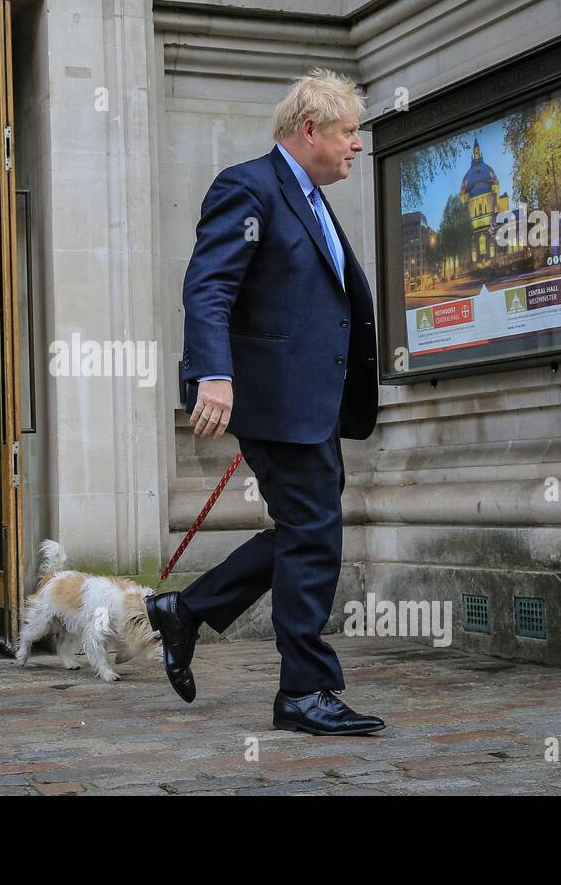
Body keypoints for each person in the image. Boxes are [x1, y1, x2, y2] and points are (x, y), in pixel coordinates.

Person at [146, 69, 383, 735]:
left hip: (313, 403)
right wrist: (213, 375)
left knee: (303, 534)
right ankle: (304, 693)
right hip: (278, 402)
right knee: (314, 539)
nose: (356, 146)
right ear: (309, 130)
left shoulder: (309, 197)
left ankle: (185, 611)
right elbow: (209, 288)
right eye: (348, 132)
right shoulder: (249, 187)